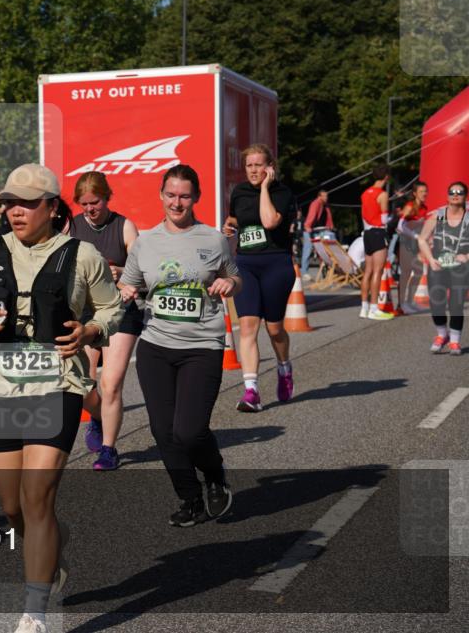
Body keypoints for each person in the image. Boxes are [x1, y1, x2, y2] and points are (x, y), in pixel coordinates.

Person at [0, 163, 122, 633]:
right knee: (12, 507)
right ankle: (52, 549)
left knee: (38, 494)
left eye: (25, 203)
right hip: (2, 384)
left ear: (51, 207)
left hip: (57, 382)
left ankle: (35, 611)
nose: (14, 211)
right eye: (8, 203)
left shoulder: (81, 257)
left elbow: (112, 308)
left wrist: (90, 329)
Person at [120, 164, 240, 526]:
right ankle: (190, 499)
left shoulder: (212, 239)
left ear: (196, 198)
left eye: (185, 195)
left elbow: (234, 276)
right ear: (161, 195)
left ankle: (215, 477)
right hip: (156, 346)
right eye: (171, 194)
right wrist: (126, 291)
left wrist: (229, 285)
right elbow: (130, 284)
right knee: (163, 431)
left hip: (202, 345)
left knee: (189, 430)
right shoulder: (145, 242)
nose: (177, 202)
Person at [69, 171, 140, 471]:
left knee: (110, 385)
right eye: (84, 204)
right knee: (81, 385)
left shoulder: (124, 226)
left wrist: (121, 273)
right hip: (85, 314)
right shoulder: (71, 227)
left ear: (106, 197)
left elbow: (143, 271)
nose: (89, 209)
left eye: (94, 202)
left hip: (121, 311)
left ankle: (109, 450)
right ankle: (97, 418)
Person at [222, 144, 297, 413]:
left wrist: (265, 188)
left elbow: (269, 221)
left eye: (259, 165)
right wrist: (230, 223)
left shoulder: (283, 193)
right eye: (249, 165)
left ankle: (284, 367)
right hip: (246, 265)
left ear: (270, 167)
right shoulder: (240, 192)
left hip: (277, 264)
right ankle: (251, 390)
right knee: (248, 326)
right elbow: (240, 216)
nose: (254, 170)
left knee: (274, 329)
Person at [417, 181, 468, 355]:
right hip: (438, 265)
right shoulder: (438, 216)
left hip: (461, 267)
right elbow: (422, 239)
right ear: (447, 196)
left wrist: (467, 256)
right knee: (436, 303)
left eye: (459, 192)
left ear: (464, 196)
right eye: (452, 192)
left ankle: (454, 341)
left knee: (457, 304)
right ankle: (441, 334)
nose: (455, 195)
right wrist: (430, 259)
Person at [358, 164, 395, 320]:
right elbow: (384, 219)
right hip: (378, 232)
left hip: (367, 233)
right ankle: (374, 308)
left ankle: (364, 308)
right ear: (386, 177)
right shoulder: (383, 194)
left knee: (368, 271)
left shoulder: (365, 193)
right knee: (378, 271)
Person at [397, 181, 430, 314]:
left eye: (425, 191)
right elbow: (400, 226)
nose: (424, 194)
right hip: (405, 243)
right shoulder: (410, 206)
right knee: (405, 274)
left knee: (418, 272)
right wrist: (416, 236)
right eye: (421, 191)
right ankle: (401, 305)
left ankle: (410, 302)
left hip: (415, 244)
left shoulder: (424, 208)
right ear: (415, 193)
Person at [300, 189, 336, 281]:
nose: (326, 198)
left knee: (324, 250)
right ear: (319, 196)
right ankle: (304, 272)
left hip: (320, 230)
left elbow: (328, 217)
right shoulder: (316, 203)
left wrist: (331, 226)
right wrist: (307, 226)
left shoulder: (325, 206)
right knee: (307, 250)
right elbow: (312, 215)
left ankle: (328, 270)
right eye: (324, 196)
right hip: (309, 230)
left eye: (327, 196)